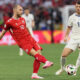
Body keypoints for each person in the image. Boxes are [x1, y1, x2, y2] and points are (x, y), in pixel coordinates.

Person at [0, 5, 53, 79]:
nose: (22, 11)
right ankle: (46, 61)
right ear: (15, 10)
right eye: (20, 10)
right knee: (36, 55)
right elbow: (2, 33)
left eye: (22, 10)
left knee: (39, 53)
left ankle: (34, 74)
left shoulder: (22, 19)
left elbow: (25, 29)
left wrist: (31, 36)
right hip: (23, 42)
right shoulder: (9, 22)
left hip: (30, 39)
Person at [56, 0, 80, 75]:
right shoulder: (72, 17)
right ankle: (62, 68)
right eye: (77, 6)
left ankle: (75, 69)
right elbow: (69, 28)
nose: (78, 8)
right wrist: (66, 36)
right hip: (73, 38)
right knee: (64, 55)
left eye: (79, 6)